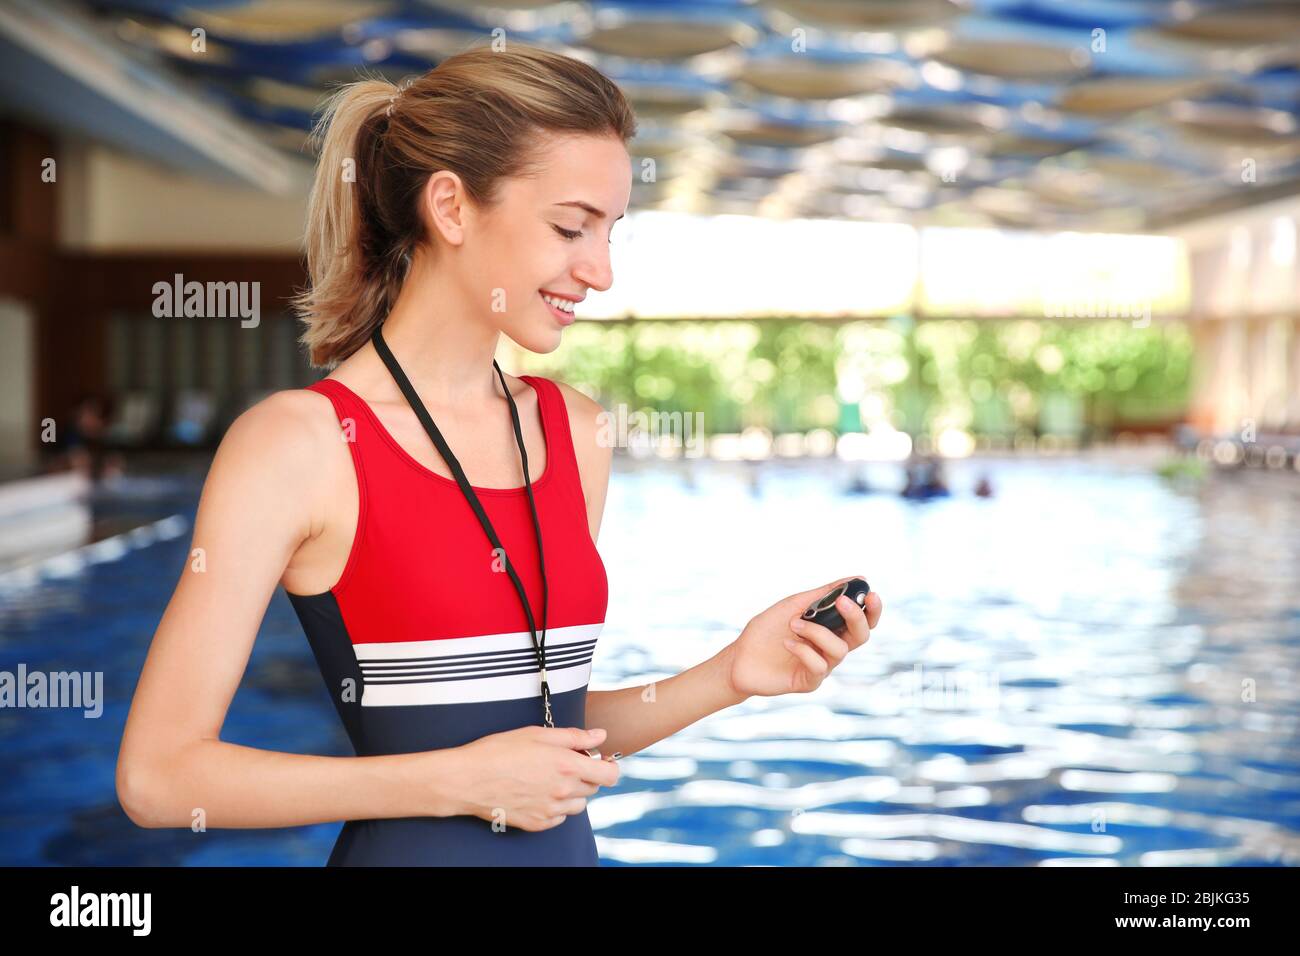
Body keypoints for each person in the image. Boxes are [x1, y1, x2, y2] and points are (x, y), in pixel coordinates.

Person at [115, 45, 883, 866]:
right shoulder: (299, 445)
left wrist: (731, 673)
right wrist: (452, 782)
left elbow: (545, 739)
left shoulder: (575, 432)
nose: (602, 271)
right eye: (569, 227)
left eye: (611, 232)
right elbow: (160, 778)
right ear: (450, 207)